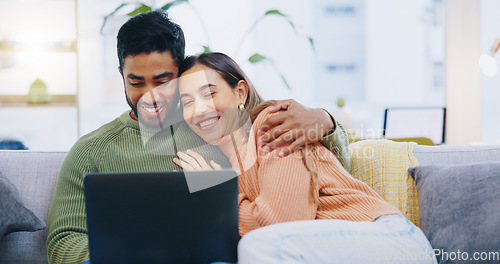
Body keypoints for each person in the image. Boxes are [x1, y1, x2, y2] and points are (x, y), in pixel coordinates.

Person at [46, 10, 350, 264]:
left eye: (163, 81)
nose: (150, 96)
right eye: (136, 82)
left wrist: (326, 121)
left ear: (182, 74)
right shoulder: (92, 150)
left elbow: (322, 170)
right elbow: (62, 242)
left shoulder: (218, 128)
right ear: (121, 74)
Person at [173, 52, 437, 264]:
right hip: (323, 248)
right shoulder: (231, 165)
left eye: (209, 93)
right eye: (187, 102)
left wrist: (215, 198)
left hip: (388, 240)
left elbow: (281, 222)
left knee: (258, 245)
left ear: (240, 93)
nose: (200, 110)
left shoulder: (273, 126)